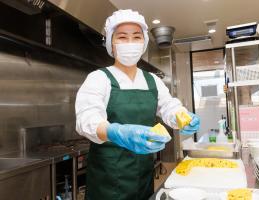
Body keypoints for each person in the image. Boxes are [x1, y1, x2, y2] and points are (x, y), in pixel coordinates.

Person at [75, 9, 200, 200]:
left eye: (136, 37)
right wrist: (116, 132)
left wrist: (182, 117)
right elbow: (86, 119)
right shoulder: (99, 78)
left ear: (143, 43)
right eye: (122, 37)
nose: (130, 43)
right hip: (107, 180)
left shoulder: (152, 80)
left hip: (143, 175)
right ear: (111, 44)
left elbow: (168, 106)